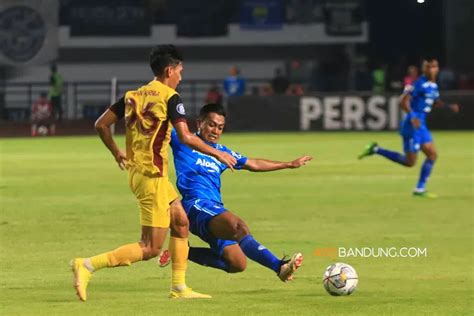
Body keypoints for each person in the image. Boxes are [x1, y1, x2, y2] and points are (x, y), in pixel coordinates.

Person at [70, 45, 237, 301]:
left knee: (181, 223)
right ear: (169, 70)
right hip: (152, 178)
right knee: (149, 247)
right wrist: (217, 153)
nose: (181, 77)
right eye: (180, 71)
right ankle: (88, 265)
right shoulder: (171, 97)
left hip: (143, 174)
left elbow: (100, 124)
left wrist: (117, 152)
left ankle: (179, 287)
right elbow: (185, 136)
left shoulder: (132, 96)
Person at [159, 103, 312, 282]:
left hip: (214, 209)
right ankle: (280, 266)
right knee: (239, 227)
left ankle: (181, 250)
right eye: (211, 124)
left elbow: (252, 163)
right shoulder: (183, 139)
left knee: (237, 264)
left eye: (220, 127)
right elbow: (158, 128)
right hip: (195, 206)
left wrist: (288, 164)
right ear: (199, 122)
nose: (215, 131)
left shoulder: (223, 152)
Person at [358, 59, 460, 197]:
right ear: (424, 69)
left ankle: (419, 188)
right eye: (428, 67)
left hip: (421, 125)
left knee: (432, 155)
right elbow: (403, 101)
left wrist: (449, 106)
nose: (431, 70)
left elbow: (434, 101)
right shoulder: (418, 84)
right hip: (412, 126)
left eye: (434, 67)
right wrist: (412, 116)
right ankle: (376, 149)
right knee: (409, 162)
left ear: (437, 69)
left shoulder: (433, 86)